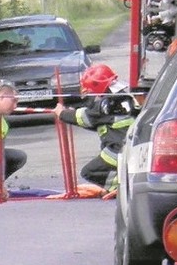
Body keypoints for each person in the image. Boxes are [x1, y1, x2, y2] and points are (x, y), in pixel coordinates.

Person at [53, 64, 136, 192]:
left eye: (90, 89)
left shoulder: (106, 104)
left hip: (118, 151)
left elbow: (83, 117)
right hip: (130, 148)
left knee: (89, 172)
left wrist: (61, 113)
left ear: (97, 86)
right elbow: (98, 120)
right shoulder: (122, 97)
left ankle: (120, 188)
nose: (88, 92)